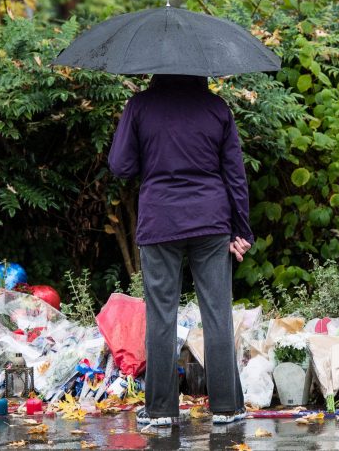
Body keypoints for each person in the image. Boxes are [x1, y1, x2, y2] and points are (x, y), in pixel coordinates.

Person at [108, 74, 253, 427]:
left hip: (160, 220)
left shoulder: (140, 106)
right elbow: (235, 174)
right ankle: (227, 407)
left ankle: (160, 411)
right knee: (218, 313)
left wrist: (154, 157)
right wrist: (241, 229)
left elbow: (121, 166)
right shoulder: (217, 108)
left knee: (161, 315)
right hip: (211, 220)